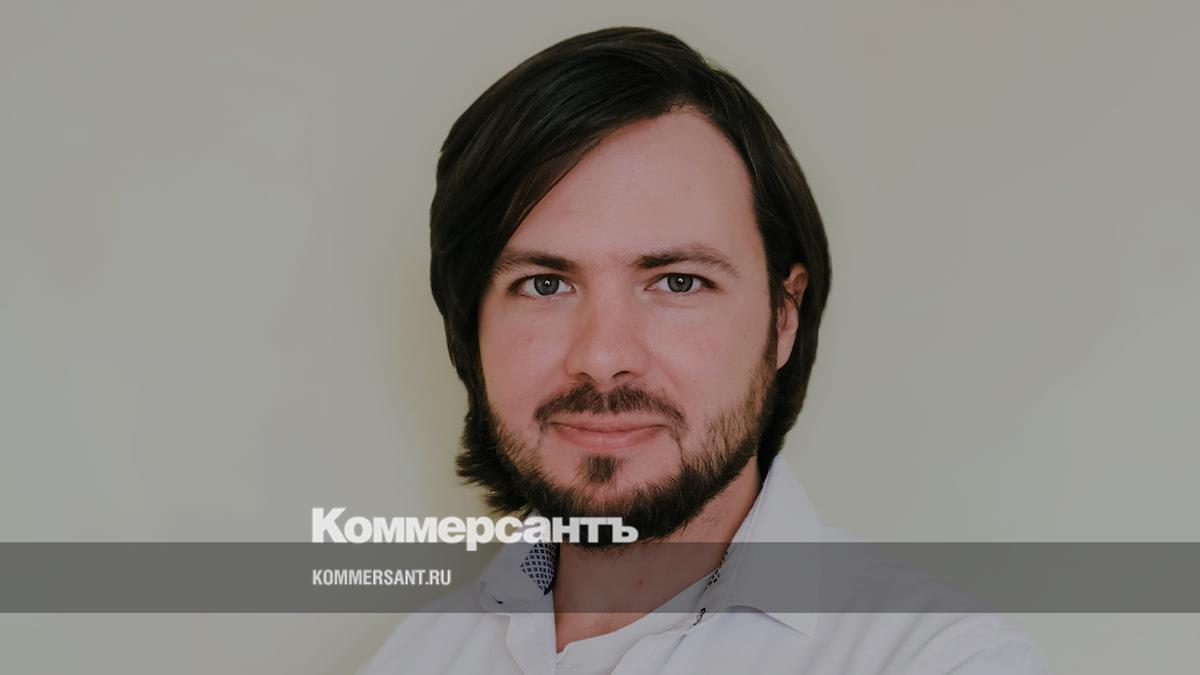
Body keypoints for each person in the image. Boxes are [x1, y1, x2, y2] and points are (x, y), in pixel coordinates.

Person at [361, 26, 1045, 674]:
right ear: (470, 326)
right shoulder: (418, 654)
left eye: (678, 282)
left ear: (783, 317)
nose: (602, 356)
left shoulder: (940, 660)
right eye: (545, 283)